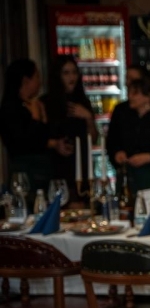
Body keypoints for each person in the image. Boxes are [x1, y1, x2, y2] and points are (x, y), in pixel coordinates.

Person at [0, 59, 70, 200]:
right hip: (28, 172)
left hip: (41, 170)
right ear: (26, 81)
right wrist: (36, 118)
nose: (40, 82)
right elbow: (27, 140)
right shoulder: (13, 109)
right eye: (37, 76)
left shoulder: (33, 104)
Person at [106, 66, 150, 197]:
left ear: (148, 95)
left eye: (135, 93)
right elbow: (111, 142)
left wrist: (149, 157)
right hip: (127, 176)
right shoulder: (121, 111)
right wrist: (117, 154)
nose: (130, 96)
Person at [41, 55, 98, 203]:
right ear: (57, 76)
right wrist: (55, 144)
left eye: (74, 72)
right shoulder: (45, 103)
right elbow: (38, 137)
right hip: (56, 165)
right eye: (66, 73)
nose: (71, 77)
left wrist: (88, 117)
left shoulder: (83, 101)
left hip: (81, 165)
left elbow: (93, 138)